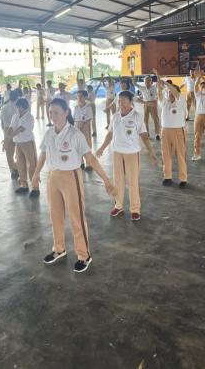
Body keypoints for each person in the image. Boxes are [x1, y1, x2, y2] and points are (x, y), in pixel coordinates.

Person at [31, 97, 116, 273]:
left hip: (71, 177)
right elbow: (43, 155)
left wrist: (107, 180)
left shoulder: (75, 134)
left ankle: (84, 255)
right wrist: (35, 174)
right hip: (52, 177)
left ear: (66, 113)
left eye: (56, 112)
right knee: (55, 216)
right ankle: (59, 248)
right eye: (50, 112)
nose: (52, 116)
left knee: (76, 217)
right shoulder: (49, 133)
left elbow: (90, 158)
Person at [96, 90, 159, 221]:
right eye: (119, 101)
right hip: (117, 153)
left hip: (132, 153)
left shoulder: (137, 116)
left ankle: (135, 209)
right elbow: (110, 134)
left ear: (131, 102)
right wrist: (102, 148)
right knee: (118, 180)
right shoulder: (115, 117)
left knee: (133, 181)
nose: (121, 104)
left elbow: (144, 136)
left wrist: (152, 154)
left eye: (124, 101)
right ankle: (118, 205)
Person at [154, 70, 188, 187]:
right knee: (166, 155)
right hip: (166, 131)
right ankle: (167, 176)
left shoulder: (181, 99)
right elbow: (159, 94)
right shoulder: (165, 101)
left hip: (178, 131)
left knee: (180, 155)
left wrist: (167, 84)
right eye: (168, 93)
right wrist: (159, 81)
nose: (170, 94)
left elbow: (175, 91)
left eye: (172, 92)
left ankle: (183, 178)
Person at [6, 98, 39, 197]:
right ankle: (24, 185)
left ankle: (35, 187)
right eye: (17, 107)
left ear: (25, 107)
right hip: (18, 143)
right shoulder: (15, 116)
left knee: (32, 165)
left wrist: (9, 137)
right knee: (20, 164)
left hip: (28, 142)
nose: (18, 108)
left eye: (20, 107)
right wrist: (7, 136)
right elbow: (11, 127)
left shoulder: (29, 117)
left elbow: (20, 129)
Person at [132, 70, 161, 140]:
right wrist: (133, 76)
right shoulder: (143, 88)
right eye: (145, 81)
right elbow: (134, 83)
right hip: (145, 103)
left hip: (153, 103)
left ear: (151, 82)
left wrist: (157, 74)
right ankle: (147, 133)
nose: (147, 82)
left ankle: (157, 134)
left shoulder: (154, 87)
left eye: (148, 81)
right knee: (145, 119)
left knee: (155, 119)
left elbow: (159, 80)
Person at [0, 91, 19, 179]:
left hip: (7, 131)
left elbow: (2, 123)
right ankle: (19, 168)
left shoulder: (4, 107)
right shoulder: (19, 107)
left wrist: (5, 133)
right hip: (18, 131)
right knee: (20, 153)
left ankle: (13, 170)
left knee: (9, 154)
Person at [73, 90, 93, 169]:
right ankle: (81, 163)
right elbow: (75, 119)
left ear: (85, 97)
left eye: (81, 96)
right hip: (77, 127)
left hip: (85, 127)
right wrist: (77, 126)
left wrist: (83, 125)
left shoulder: (88, 106)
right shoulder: (76, 107)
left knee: (87, 145)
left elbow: (89, 119)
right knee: (78, 145)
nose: (79, 98)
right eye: (78, 96)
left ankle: (89, 163)